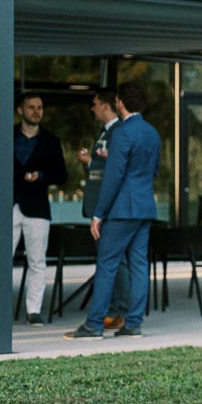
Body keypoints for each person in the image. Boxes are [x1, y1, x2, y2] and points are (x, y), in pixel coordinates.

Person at [64, 82, 160, 340]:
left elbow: (113, 175)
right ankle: (133, 323)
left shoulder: (121, 133)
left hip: (121, 209)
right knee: (139, 265)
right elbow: (154, 171)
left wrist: (98, 214)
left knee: (107, 264)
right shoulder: (152, 132)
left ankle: (94, 324)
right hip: (144, 207)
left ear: (120, 103)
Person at [0, 92, 67, 326]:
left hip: (36, 207)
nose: (36, 111)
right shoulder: (3, 136)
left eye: (39, 107)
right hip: (7, 204)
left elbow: (62, 175)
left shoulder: (51, 141)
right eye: (31, 107)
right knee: (0, 260)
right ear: (20, 110)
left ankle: (33, 310)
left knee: (37, 260)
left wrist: (42, 176)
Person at [75, 89, 131, 330]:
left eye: (95, 104)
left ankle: (120, 312)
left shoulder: (119, 132)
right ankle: (114, 310)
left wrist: (93, 162)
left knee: (116, 262)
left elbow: (118, 169)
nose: (92, 108)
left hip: (111, 209)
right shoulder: (105, 132)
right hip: (101, 206)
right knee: (112, 261)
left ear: (107, 106)